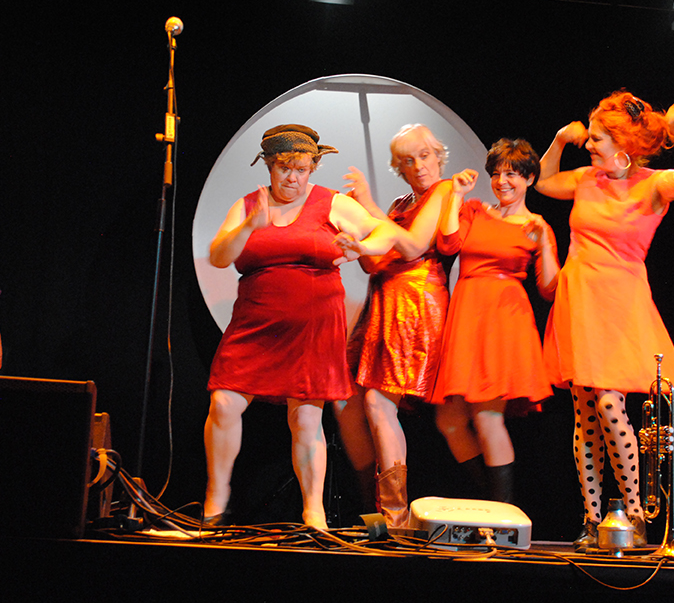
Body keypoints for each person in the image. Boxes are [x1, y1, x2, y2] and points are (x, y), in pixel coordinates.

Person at [203, 124, 399, 530]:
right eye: (284, 168)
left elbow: (386, 233)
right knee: (223, 404)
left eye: (302, 169)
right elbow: (219, 256)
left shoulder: (331, 203)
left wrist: (362, 246)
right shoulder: (249, 205)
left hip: (313, 327)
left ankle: (314, 513)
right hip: (255, 324)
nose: (293, 178)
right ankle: (215, 501)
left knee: (306, 420)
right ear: (269, 166)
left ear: (312, 168)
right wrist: (247, 226)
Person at [535, 91, 674, 549]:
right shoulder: (586, 178)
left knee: (610, 406)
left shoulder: (652, 185)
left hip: (620, 301)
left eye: (597, 139)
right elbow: (543, 182)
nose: (589, 145)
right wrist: (559, 140)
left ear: (623, 146)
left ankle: (634, 514)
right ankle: (594, 519)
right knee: (586, 414)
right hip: (578, 297)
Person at [335, 124, 474, 528]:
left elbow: (412, 245)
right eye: (409, 160)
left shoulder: (444, 190)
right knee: (347, 403)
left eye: (425, 156)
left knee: (381, 404)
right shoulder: (400, 203)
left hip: (414, 304)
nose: (419, 166)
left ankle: (393, 516)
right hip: (383, 304)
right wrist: (360, 229)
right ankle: (373, 505)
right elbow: (374, 260)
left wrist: (367, 208)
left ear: (438, 156)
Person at [429, 138, 560, 504]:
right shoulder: (474, 210)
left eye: (513, 174)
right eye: (497, 174)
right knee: (449, 421)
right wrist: (456, 196)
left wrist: (544, 243)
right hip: (467, 313)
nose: (503, 181)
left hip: (503, 319)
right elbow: (447, 244)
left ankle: (500, 514)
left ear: (529, 179)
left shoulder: (536, 224)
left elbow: (549, 288)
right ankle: (489, 499)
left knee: (487, 419)